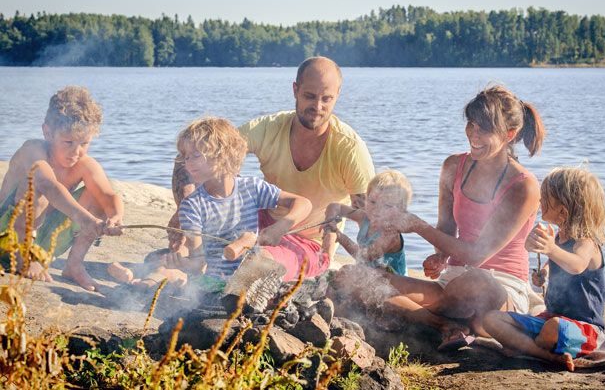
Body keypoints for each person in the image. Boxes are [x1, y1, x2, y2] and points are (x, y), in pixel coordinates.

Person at [168, 56, 375, 281]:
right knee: (189, 252)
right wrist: (185, 210)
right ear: (295, 90)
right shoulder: (269, 128)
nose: (317, 107)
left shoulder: (350, 148)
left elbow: (370, 217)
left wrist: (368, 264)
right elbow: (205, 152)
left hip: (306, 241)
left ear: (338, 96)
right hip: (258, 226)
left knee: (256, 262)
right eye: (309, 96)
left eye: (327, 99)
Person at [373, 85, 545, 349]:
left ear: (509, 135)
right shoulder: (453, 166)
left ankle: (427, 312)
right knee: (359, 278)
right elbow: (446, 228)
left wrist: (417, 225)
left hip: (500, 289)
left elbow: (477, 256)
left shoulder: (524, 186)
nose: (473, 134)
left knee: (476, 282)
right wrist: (441, 256)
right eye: (471, 124)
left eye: (484, 129)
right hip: (452, 282)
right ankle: (445, 324)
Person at [110, 117, 312, 288]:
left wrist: (280, 227)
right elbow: (198, 263)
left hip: (251, 273)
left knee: (265, 264)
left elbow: (303, 203)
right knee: (177, 277)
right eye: (186, 157)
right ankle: (146, 281)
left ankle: (144, 278)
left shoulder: (252, 188)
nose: (188, 163)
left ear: (224, 156)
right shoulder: (192, 206)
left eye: (195, 156)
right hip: (214, 283)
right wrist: (186, 265)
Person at [484, 167, 605, 371]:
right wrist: (544, 273)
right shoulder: (559, 236)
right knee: (491, 319)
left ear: (563, 210)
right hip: (550, 317)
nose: (540, 202)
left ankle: (527, 347)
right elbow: (554, 262)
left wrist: (551, 249)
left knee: (554, 328)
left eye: (545, 198)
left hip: (583, 328)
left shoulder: (586, 242)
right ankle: (545, 354)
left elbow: (576, 265)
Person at [0, 86, 123, 291]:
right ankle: (24, 258)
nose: (76, 151)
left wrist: (116, 216)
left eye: (84, 143)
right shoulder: (33, 150)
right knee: (36, 187)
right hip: (6, 236)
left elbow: (108, 195)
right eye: (68, 142)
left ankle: (74, 265)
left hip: (44, 242)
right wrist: (85, 219)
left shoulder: (84, 164)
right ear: (48, 132)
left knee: (96, 197)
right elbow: (49, 185)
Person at [323, 170, 411, 276]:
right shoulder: (364, 217)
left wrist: (340, 236)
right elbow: (335, 206)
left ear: (400, 210)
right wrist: (330, 221)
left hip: (394, 282)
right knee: (339, 275)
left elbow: (365, 256)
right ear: (367, 198)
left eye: (386, 205)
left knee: (347, 271)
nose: (377, 209)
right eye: (373, 202)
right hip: (368, 274)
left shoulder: (390, 234)